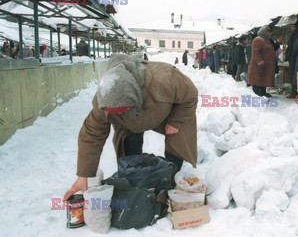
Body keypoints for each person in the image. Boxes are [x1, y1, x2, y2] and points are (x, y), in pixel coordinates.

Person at [64, 54, 198, 200]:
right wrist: (83, 175)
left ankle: (171, 177)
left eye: (122, 110)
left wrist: (176, 122)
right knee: (128, 151)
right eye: (115, 113)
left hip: (165, 114)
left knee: (177, 141)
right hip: (130, 124)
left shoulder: (165, 78)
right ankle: (135, 179)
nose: (119, 113)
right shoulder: (102, 104)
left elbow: (190, 95)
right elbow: (91, 135)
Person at [248, 25, 275, 97]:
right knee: (257, 81)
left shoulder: (265, 40)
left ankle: (263, 92)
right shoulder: (258, 40)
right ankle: (256, 95)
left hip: (265, 65)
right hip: (259, 66)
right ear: (264, 32)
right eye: (268, 32)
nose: (270, 33)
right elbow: (256, 52)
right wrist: (260, 62)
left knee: (263, 80)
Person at [285, 20, 298, 98]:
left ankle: (294, 92)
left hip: (294, 57)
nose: (290, 27)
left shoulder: (296, 34)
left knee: (293, 75)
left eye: (291, 25)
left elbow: (293, 46)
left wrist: (288, 56)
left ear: (295, 25)